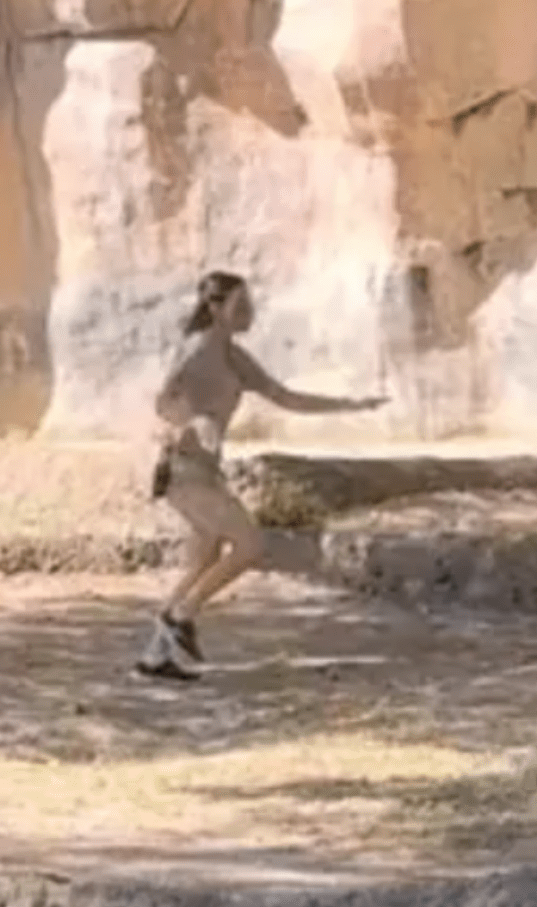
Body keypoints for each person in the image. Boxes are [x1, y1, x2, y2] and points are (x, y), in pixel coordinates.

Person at [137, 271, 386, 683]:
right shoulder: (197, 350)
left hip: (206, 472)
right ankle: (181, 618)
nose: (249, 312)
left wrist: (352, 405)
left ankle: (155, 656)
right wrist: (196, 420)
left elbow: (287, 398)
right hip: (183, 470)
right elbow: (163, 403)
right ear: (216, 308)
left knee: (205, 559)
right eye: (241, 305)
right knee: (251, 545)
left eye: (250, 304)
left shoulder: (235, 357)